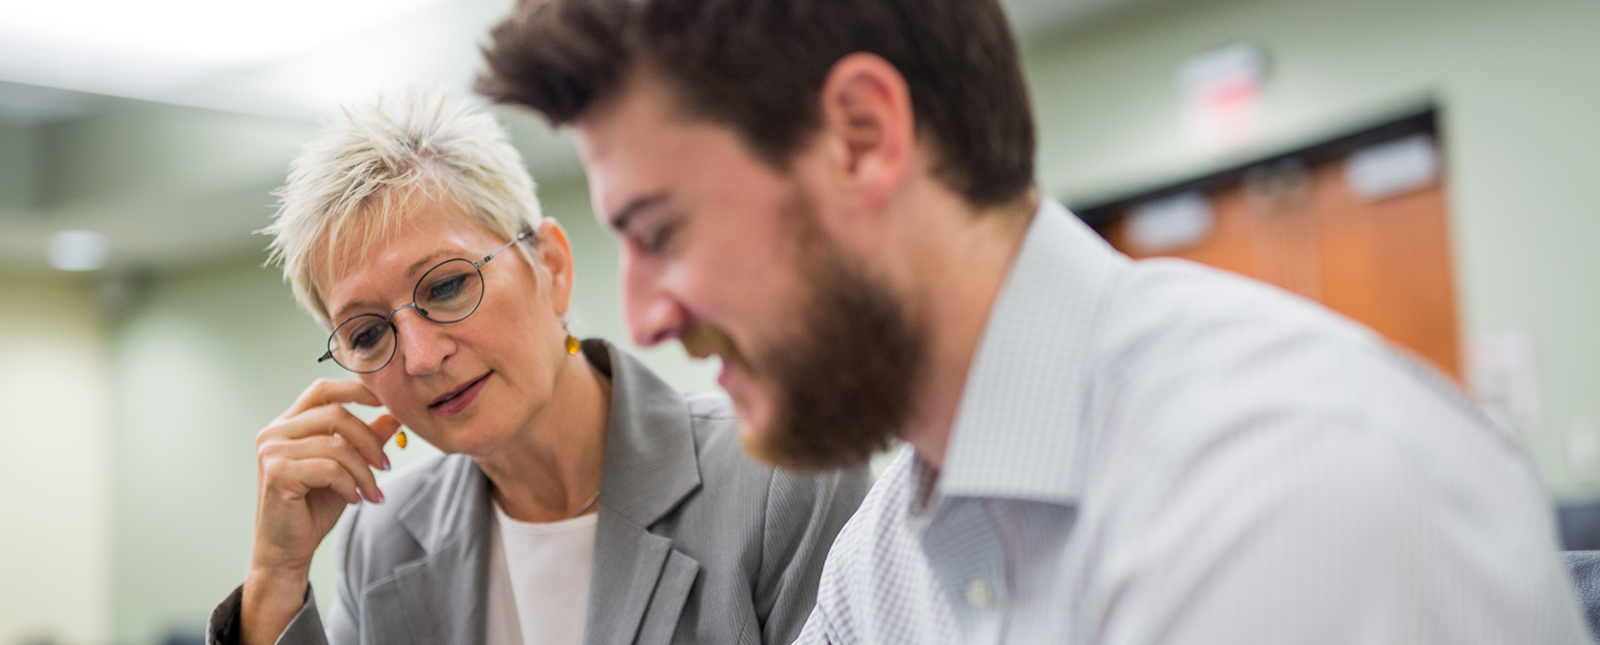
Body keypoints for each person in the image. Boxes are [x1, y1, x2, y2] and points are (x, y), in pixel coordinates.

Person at [475, 0, 1591, 642]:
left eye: (661, 229)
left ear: (862, 136)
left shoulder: (1289, 492)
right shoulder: (889, 557)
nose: (645, 315)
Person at [202, 91, 868, 645]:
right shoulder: (384, 538)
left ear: (551, 266)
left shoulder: (780, 474)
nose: (424, 355)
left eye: (446, 286)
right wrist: (275, 579)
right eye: (369, 331)